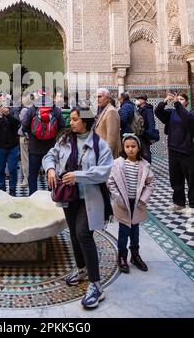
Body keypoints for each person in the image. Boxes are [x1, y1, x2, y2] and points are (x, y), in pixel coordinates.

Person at [42, 107, 113, 310]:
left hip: (88, 198)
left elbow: (104, 172)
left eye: (75, 119)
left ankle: (96, 285)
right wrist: (50, 169)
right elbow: (50, 156)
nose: (71, 123)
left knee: (83, 233)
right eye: (71, 119)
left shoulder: (100, 145)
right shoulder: (64, 140)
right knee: (73, 233)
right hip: (69, 196)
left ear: (86, 121)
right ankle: (81, 269)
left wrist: (78, 176)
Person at [108, 134, 155, 274]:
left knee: (135, 231)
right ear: (123, 147)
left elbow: (151, 183)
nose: (130, 149)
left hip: (137, 203)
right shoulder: (118, 163)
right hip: (123, 203)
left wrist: (143, 199)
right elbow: (111, 182)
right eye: (127, 147)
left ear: (139, 148)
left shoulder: (144, 165)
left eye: (133, 147)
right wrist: (118, 198)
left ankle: (135, 255)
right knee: (123, 231)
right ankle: (122, 256)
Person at [155, 92, 194, 214]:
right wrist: (166, 101)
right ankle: (179, 203)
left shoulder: (190, 114)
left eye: (182, 99)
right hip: (173, 150)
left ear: (186, 102)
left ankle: (192, 205)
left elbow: (188, 120)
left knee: (191, 179)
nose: (179, 100)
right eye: (178, 99)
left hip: (187, 152)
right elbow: (158, 112)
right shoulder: (171, 113)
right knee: (176, 179)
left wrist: (177, 103)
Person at [22, 87, 65, 195]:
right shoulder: (56, 110)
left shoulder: (33, 109)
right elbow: (62, 125)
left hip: (34, 148)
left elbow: (24, 124)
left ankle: (33, 195)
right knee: (50, 172)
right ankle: (51, 196)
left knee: (33, 174)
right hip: (51, 148)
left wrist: (32, 134)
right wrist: (54, 135)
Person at [0, 92, 20, 196]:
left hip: (13, 146)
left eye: (5, 100)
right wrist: (0, 115)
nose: (3, 102)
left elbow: (17, 122)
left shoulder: (14, 110)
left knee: (13, 168)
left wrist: (8, 115)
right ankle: (2, 190)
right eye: (1, 100)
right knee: (0, 169)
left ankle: (12, 190)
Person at [94, 88, 121, 158]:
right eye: (96, 97)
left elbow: (111, 139)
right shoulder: (104, 110)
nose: (97, 99)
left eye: (100, 97)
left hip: (107, 156)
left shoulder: (111, 112)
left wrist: (106, 157)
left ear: (107, 98)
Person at [135, 94, 159, 164]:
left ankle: (147, 167)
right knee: (143, 152)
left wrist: (150, 136)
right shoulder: (141, 109)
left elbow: (151, 123)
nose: (137, 101)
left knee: (146, 152)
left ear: (143, 101)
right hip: (142, 134)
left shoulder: (148, 109)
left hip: (146, 134)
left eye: (139, 99)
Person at [18, 93, 34, 187]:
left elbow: (21, 122)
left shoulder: (24, 110)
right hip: (34, 137)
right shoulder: (36, 109)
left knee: (25, 159)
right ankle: (32, 178)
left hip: (25, 137)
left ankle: (26, 179)